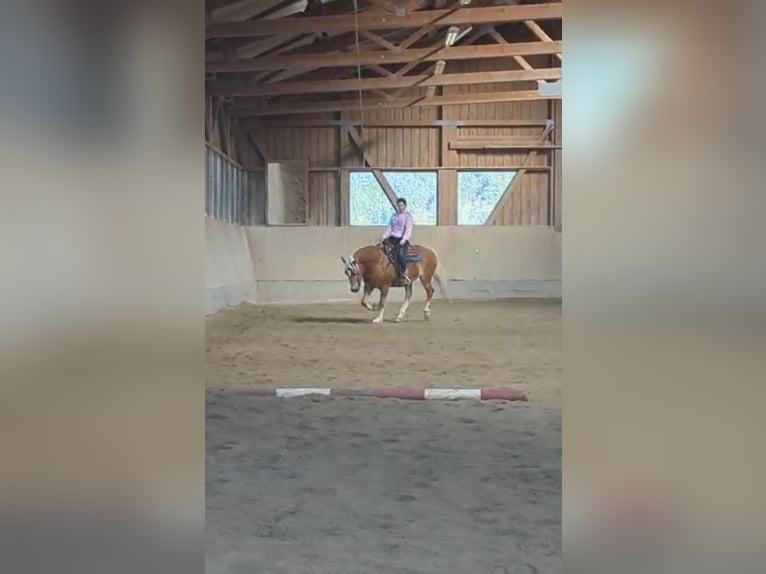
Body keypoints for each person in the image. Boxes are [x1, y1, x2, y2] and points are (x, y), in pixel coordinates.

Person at [380, 197, 414, 284]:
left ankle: (404, 272)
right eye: (399, 205)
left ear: (405, 206)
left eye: (402, 205)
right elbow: (390, 228)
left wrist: (403, 240)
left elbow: (408, 230)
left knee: (400, 254)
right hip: (392, 238)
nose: (400, 207)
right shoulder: (394, 216)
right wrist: (383, 237)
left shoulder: (408, 217)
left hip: (402, 239)